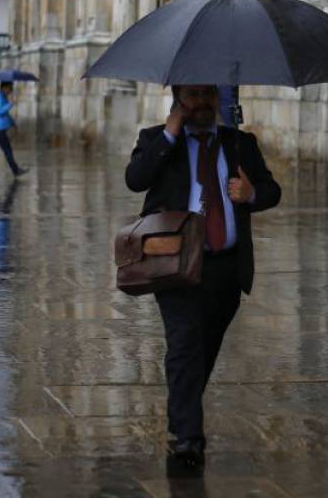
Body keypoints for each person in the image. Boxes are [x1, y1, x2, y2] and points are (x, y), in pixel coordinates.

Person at [124, 84, 281, 470]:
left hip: (226, 267)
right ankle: (187, 440)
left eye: (208, 94)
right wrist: (169, 132)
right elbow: (136, 178)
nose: (202, 103)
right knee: (183, 346)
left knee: (201, 352)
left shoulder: (239, 144)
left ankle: (183, 413)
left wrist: (251, 194)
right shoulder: (157, 140)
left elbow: (272, 190)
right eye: (193, 95)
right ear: (178, 98)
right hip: (175, 265)